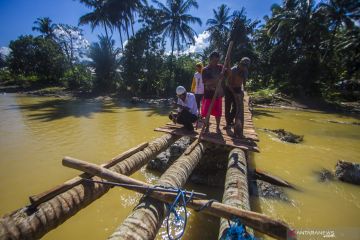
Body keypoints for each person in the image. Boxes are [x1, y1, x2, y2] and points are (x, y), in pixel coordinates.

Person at [224, 57, 251, 137]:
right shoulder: (233, 70)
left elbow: (244, 82)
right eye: (243, 65)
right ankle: (228, 123)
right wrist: (234, 93)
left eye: (246, 66)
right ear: (240, 63)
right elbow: (228, 83)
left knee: (236, 107)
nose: (244, 67)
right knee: (227, 107)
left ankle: (230, 121)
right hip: (229, 89)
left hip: (238, 88)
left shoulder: (245, 71)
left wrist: (242, 91)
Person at [201, 51, 226, 133]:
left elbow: (226, 76)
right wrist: (217, 78)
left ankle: (217, 127)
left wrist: (228, 61)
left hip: (218, 94)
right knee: (206, 112)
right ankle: (207, 127)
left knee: (218, 113)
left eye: (217, 60)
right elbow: (206, 82)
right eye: (214, 60)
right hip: (208, 94)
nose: (216, 62)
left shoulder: (220, 68)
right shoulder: (205, 70)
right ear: (210, 59)